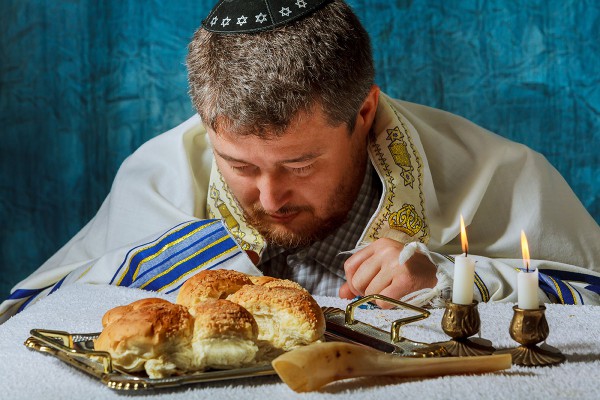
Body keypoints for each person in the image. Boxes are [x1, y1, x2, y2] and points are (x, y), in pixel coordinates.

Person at [1, 0, 599, 323]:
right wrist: (180, 259)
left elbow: (589, 299)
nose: (267, 198)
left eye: (300, 163)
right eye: (239, 165)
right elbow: (28, 317)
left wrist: (446, 281)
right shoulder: (155, 174)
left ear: (364, 113)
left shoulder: (498, 173)